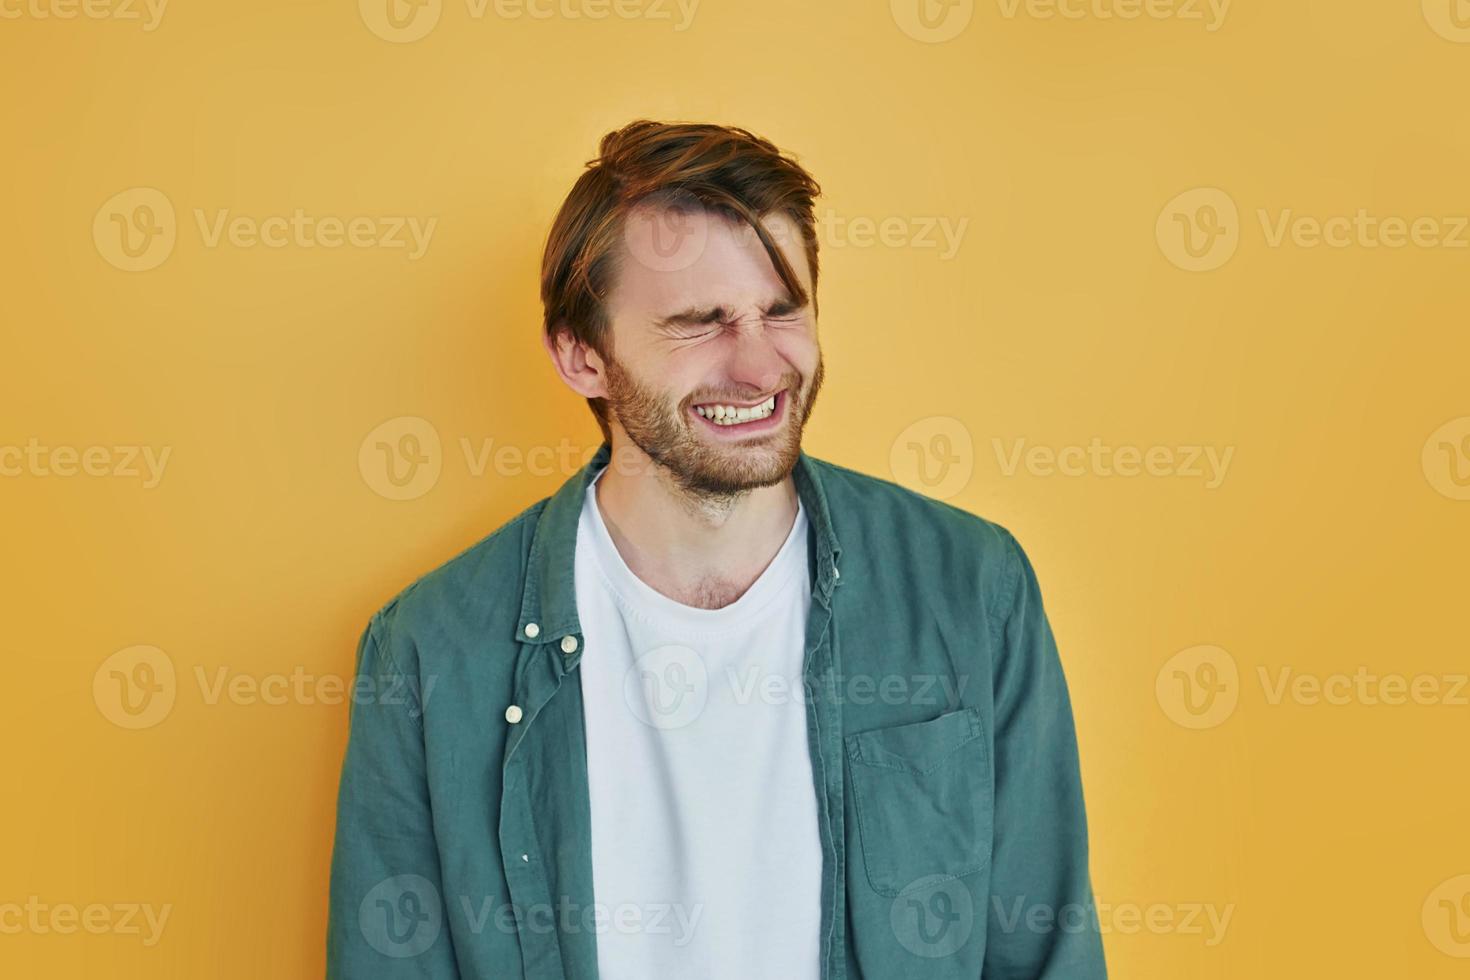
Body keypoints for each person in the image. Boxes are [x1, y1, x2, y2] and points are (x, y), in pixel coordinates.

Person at [327, 119, 1107, 979]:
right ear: (583, 356)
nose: (760, 364)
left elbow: (1046, 955)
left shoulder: (970, 588)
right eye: (700, 323)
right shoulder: (430, 652)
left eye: (782, 311)